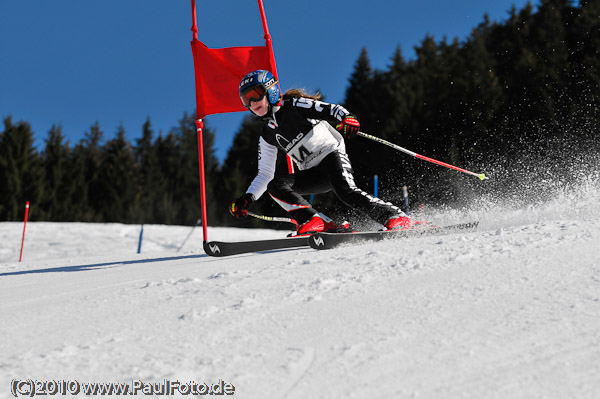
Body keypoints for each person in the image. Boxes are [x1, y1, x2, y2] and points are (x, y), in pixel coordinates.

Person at [229, 69, 412, 235]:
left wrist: (348, 118)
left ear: (271, 90)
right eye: (246, 100)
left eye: (255, 95)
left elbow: (332, 110)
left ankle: (395, 216)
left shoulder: (294, 106)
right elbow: (265, 174)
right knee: (276, 186)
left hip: (331, 154)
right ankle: (317, 221)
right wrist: (248, 198)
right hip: (314, 172)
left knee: (346, 191)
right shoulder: (267, 134)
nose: (252, 103)